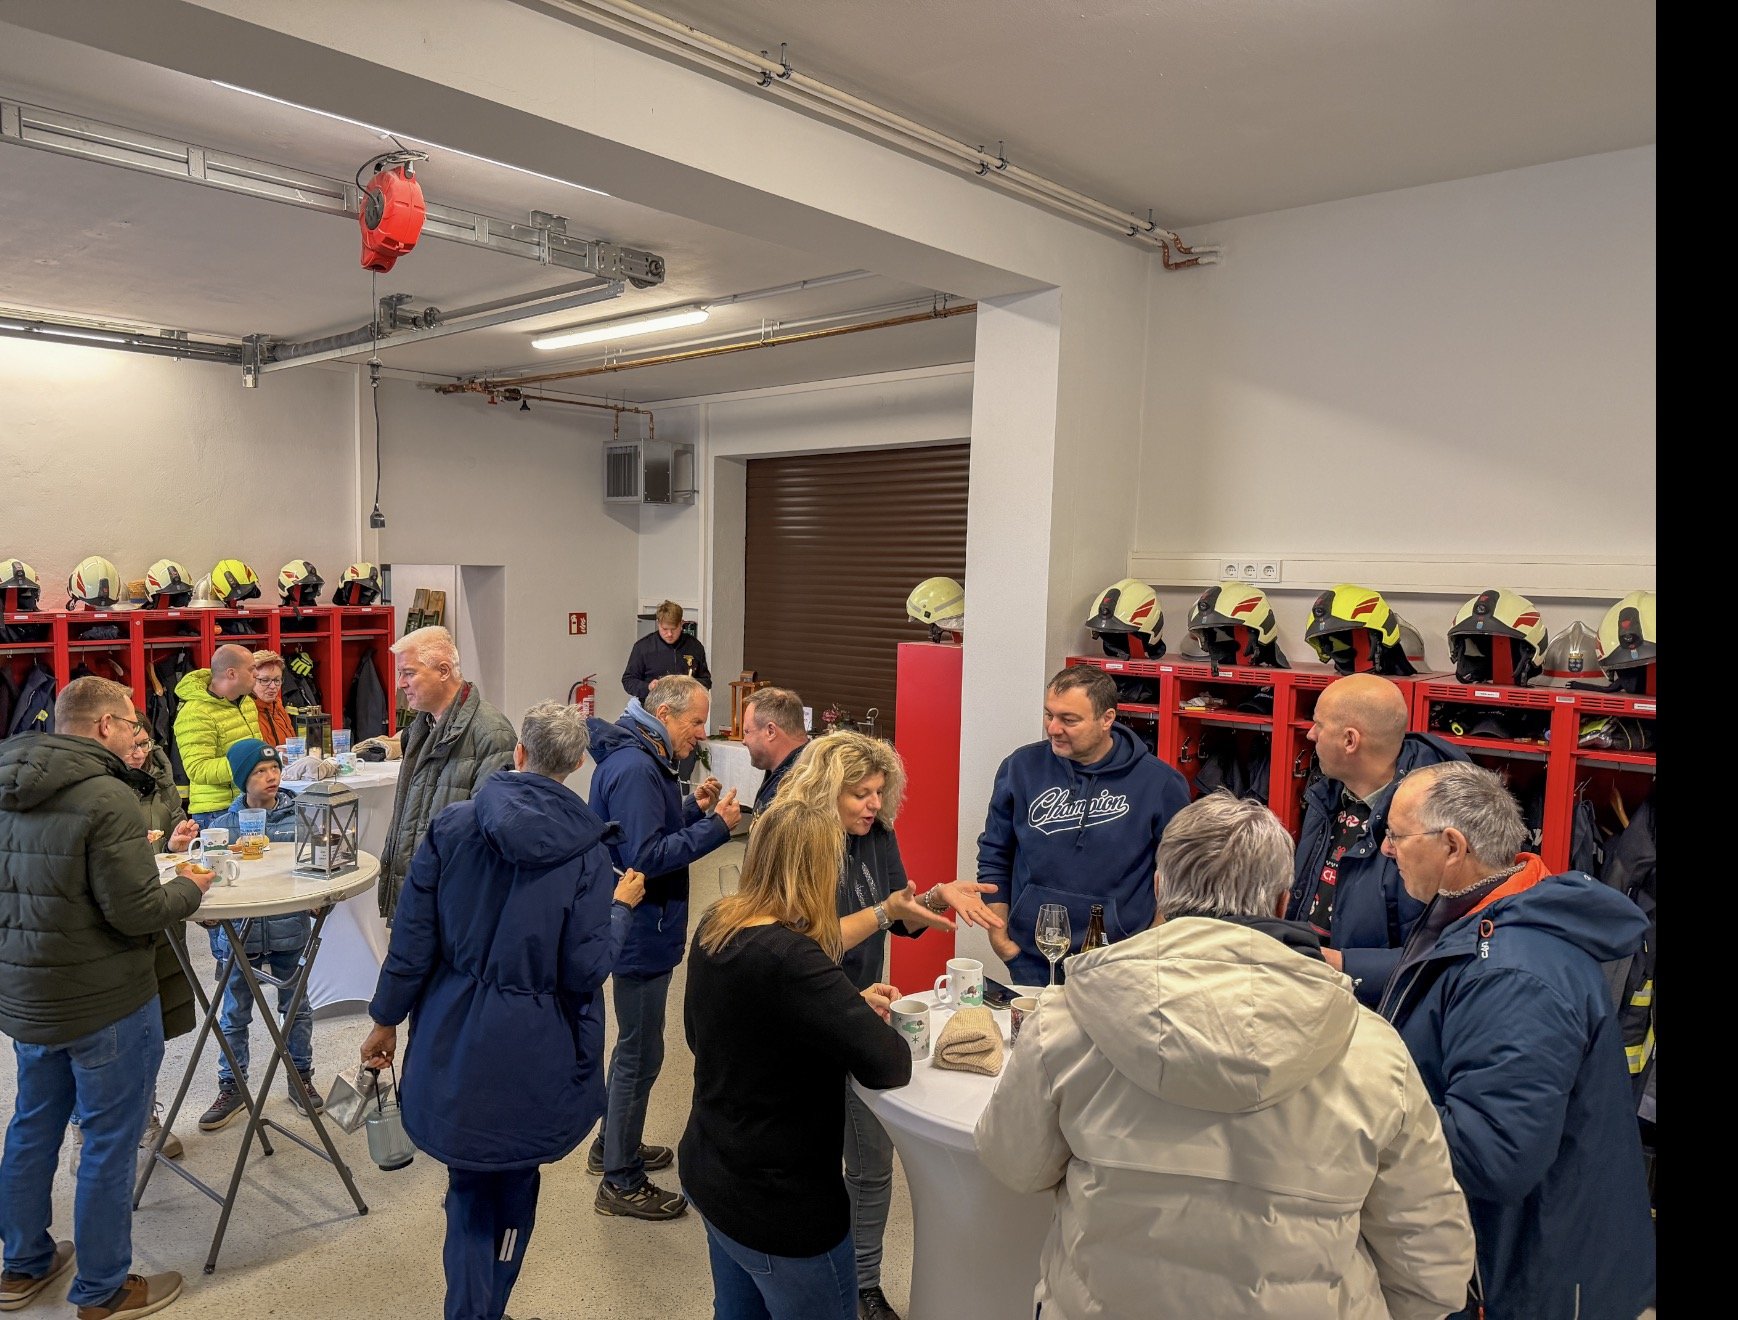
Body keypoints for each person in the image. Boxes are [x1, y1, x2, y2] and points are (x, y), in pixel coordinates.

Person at [974, 790, 1476, 1320]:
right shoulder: (1374, 1050)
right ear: (1282, 902)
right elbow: (1433, 1267)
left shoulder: (1065, 1021)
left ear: (1160, 888)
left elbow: (1014, 1165)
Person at [361, 701, 646, 1320]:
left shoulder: (452, 825)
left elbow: (412, 940)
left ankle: (469, 1310)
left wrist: (385, 1019)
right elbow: (584, 969)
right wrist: (621, 910)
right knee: (516, 1188)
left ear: (519, 753)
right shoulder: (589, 854)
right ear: (577, 764)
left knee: (467, 1185)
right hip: (537, 1044)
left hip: (454, 1033)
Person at [1377, 762, 1655, 1319]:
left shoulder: (1515, 976)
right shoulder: (1486, 914)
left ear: (1452, 846)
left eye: (1396, 835)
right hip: (1519, 1260)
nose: (1386, 849)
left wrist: (1365, 1102)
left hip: (1529, 1278)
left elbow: (1495, 1155)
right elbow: (1448, 981)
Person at [0, 675, 213, 1319]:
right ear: (104, 725)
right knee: (109, 1140)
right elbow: (137, 911)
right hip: (105, 998)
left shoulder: (9, 782)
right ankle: (103, 1290)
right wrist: (192, 886)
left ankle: (22, 1265)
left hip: (28, 990)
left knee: (32, 1124)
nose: (138, 734)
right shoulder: (107, 794)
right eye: (131, 723)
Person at [775, 732, 1002, 1320]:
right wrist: (884, 913)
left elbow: (899, 916)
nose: (874, 804)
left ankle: (864, 1285)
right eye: (860, 793)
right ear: (826, 791)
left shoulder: (876, 835)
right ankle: (814, 1276)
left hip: (859, 1015)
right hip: (803, 1021)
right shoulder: (798, 843)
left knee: (872, 1164)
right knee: (805, 1158)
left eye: (880, 792)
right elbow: (799, 946)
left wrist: (937, 896)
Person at [678, 798, 912, 1320]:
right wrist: (847, 1011)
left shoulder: (719, 923)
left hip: (713, 1171)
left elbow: (711, 1033)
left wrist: (835, 1009)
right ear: (819, 871)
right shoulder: (794, 959)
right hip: (780, 1207)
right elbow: (889, 1063)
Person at [585, 673, 741, 1221]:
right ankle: (620, 1180)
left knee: (636, 1047)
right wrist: (717, 828)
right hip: (640, 930)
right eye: (696, 722)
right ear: (666, 715)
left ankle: (612, 1145)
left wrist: (692, 810)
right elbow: (646, 857)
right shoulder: (634, 767)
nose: (701, 733)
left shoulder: (642, 757)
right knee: (639, 1053)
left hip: (644, 927)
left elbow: (645, 830)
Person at [976, 665, 1189, 984]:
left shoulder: (1160, 783)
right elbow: (995, 853)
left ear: (1107, 719)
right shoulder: (1020, 767)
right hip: (1033, 958)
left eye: (1069, 719)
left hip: (1120, 964)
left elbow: (1180, 874)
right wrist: (1000, 939)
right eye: (1049, 715)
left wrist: (1150, 949)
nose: (1053, 728)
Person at [1285, 673, 1466, 1005]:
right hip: (1311, 992)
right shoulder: (1328, 793)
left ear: (1350, 741)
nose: (1310, 734)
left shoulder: (1436, 824)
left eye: (1319, 725)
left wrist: (1342, 965)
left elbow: (1448, 956)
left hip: (1378, 1013)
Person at [193, 740, 321, 1133]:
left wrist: (315, 898)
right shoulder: (222, 826)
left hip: (289, 929)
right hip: (238, 936)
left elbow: (316, 866)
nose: (271, 776)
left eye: (274, 769)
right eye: (259, 771)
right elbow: (206, 881)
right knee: (233, 1013)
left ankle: (300, 1077)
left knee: (296, 1009)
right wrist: (208, 919)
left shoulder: (301, 816)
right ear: (241, 780)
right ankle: (232, 1086)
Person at [378, 626, 516, 922]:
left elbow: (488, 829)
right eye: (400, 674)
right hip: (420, 894)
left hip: (454, 904)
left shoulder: (492, 734)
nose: (400, 684)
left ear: (443, 671)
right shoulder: (421, 728)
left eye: (409, 673)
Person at [172, 642, 260, 825]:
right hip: (216, 811)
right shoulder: (195, 713)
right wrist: (248, 764)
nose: (257, 674)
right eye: (251, 669)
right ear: (231, 674)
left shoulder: (247, 703)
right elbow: (197, 769)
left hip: (249, 802)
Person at [622, 600, 712, 703]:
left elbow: (706, 681)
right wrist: (648, 687)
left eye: (674, 629)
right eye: (665, 629)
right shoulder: (643, 647)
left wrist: (688, 686)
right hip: (653, 706)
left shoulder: (694, 646)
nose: (669, 634)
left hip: (685, 705)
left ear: (681, 623)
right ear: (658, 624)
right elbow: (628, 681)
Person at [740, 686, 809, 813]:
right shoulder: (787, 770)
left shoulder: (801, 791)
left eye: (747, 732)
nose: (744, 741)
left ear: (770, 731)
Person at [247, 648, 296, 751]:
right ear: (250, 680)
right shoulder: (244, 712)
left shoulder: (278, 706)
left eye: (277, 680)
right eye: (265, 680)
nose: (273, 686)